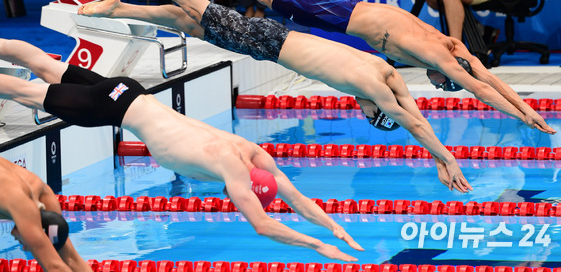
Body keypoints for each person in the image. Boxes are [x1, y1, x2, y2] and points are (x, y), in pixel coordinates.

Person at [86, 0, 473, 195]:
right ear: (375, 112)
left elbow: (413, 112)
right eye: (368, 115)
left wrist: (437, 154)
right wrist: (446, 160)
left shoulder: (386, 73)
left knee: (192, 24)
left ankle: (119, 8)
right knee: (195, 6)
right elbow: (413, 123)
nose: (361, 111)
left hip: (277, 39)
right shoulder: (369, 86)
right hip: (271, 44)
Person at [0, 38, 364, 262]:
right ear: (246, 188)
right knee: (22, 92)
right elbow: (263, 225)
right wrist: (317, 246)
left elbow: (296, 197)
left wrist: (337, 229)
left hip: (130, 91)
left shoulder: (252, 153)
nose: (229, 195)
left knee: (45, 65)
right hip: (111, 108)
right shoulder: (233, 171)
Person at [155, 0, 556, 135]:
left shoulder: (454, 45)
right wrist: (524, 116)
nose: (436, 83)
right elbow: (480, 88)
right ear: (444, 76)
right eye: (443, 84)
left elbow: (488, 76)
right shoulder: (444, 60)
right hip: (341, 15)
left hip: (350, 3)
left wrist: (526, 107)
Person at [0, 157, 93, 272]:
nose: (23, 248)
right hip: (39, 189)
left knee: (54, 264)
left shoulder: (18, 201)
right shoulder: (23, 197)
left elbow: (55, 267)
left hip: (18, 195)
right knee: (69, 257)